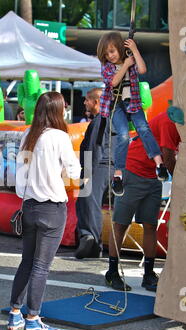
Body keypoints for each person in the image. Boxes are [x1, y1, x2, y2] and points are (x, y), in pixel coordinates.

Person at [8, 92, 81, 330]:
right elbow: (74, 169)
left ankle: (15, 314)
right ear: (58, 111)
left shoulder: (28, 134)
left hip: (29, 206)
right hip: (52, 207)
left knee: (27, 261)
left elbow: (19, 177)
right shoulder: (60, 137)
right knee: (41, 266)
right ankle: (33, 319)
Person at [105, 112, 181, 292]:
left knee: (150, 225)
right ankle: (112, 272)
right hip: (132, 170)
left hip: (153, 175)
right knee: (121, 224)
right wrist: (181, 181)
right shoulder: (170, 120)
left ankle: (148, 274)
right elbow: (168, 155)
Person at [97, 32, 168, 197]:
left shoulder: (130, 58)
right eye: (107, 54)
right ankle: (118, 176)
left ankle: (159, 164)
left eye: (112, 51)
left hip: (133, 102)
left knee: (144, 129)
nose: (110, 56)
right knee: (122, 135)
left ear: (120, 49)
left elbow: (143, 69)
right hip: (116, 105)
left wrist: (134, 51)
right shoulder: (107, 66)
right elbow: (113, 82)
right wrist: (125, 66)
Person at [75, 88, 115, 259]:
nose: (84, 103)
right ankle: (90, 239)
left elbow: (94, 147)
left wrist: (87, 173)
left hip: (98, 166)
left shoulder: (100, 120)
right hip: (108, 165)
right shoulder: (108, 118)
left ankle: (90, 240)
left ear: (97, 102)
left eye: (87, 100)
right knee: (89, 202)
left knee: (88, 202)